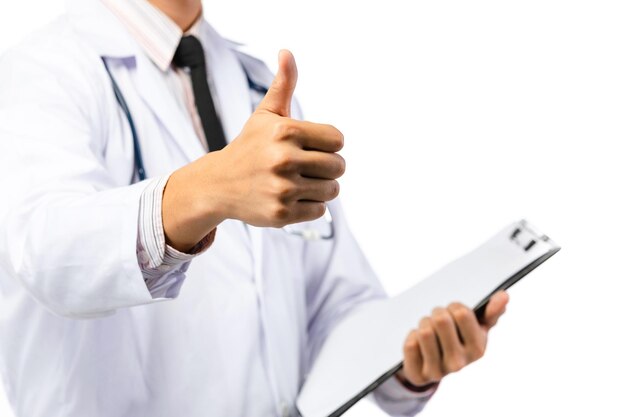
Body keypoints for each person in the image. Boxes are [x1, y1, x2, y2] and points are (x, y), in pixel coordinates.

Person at [0, 0, 508, 416]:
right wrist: (206, 190)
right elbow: (46, 254)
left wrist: (405, 359)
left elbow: (331, 303)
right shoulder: (41, 72)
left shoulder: (254, 83)